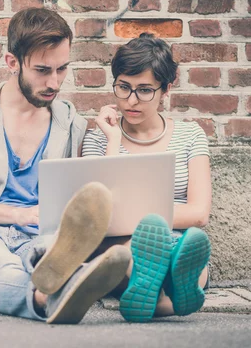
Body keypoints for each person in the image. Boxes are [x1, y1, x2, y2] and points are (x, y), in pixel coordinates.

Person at [0, 8, 131, 324]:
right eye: (42, 70)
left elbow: (86, 198)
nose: (54, 81)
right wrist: (17, 214)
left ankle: (74, 278)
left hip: (40, 238)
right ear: (12, 63)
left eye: (62, 69)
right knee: (0, 268)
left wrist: (112, 138)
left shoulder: (70, 122)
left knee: (52, 253)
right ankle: (45, 296)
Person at [82, 33, 212, 322]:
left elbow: (199, 213)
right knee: (127, 250)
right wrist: (113, 139)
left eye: (144, 90)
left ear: (166, 89)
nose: (131, 100)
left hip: (177, 240)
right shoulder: (98, 139)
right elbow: (100, 214)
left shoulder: (191, 136)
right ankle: (170, 301)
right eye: (123, 87)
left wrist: (135, 215)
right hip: (121, 243)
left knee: (187, 251)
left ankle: (163, 291)